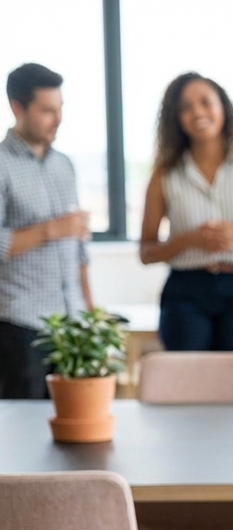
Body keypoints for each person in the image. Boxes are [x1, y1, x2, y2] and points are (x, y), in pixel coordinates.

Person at [138, 72, 233, 351]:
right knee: (189, 383)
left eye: (205, 102)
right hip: (185, 292)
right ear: (175, 118)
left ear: (223, 108)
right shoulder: (164, 175)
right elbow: (146, 252)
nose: (197, 112)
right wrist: (190, 240)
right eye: (185, 107)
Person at [0, 63, 93, 398]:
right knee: (25, 431)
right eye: (47, 111)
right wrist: (53, 229)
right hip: (22, 326)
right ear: (17, 108)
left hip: (71, 325)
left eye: (60, 109)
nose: (58, 119)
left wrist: (92, 314)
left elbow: (79, 249)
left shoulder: (64, 164)